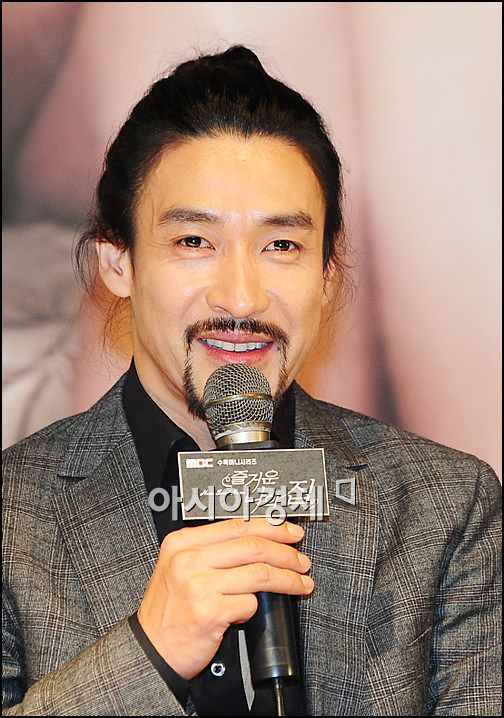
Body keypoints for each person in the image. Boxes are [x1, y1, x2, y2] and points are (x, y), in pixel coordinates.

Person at [2, 45, 501, 717]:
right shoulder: (14, 516)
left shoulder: (446, 508)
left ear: (327, 277)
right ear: (118, 263)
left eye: (281, 246)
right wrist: (149, 654)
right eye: (194, 242)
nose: (241, 297)